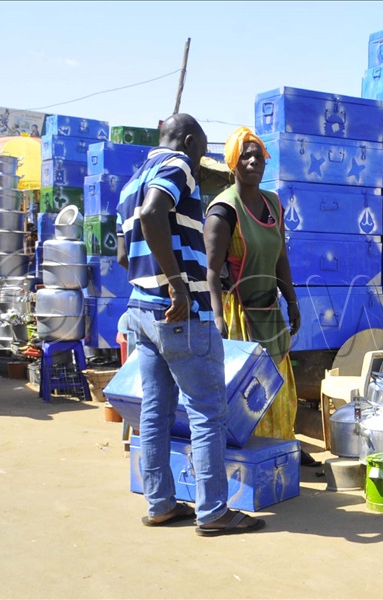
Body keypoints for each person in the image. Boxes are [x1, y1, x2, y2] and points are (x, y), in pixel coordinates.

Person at [115, 114, 264, 536]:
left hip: (141, 312)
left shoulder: (132, 180)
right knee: (206, 410)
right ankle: (214, 511)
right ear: (189, 139)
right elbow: (152, 214)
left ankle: (160, 503)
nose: (201, 159)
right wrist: (178, 286)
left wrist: (156, 279)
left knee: (155, 411)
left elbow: (126, 255)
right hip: (181, 313)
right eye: (201, 147)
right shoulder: (177, 165)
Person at [204, 127, 320, 467]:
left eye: (258, 155)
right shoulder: (223, 211)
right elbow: (211, 271)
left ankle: (282, 447)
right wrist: (216, 317)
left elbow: (280, 253)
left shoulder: (272, 204)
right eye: (245, 155)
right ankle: (249, 456)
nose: (254, 160)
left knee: (280, 387)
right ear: (232, 163)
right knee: (248, 389)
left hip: (270, 310)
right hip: (239, 313)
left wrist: (292, 299)